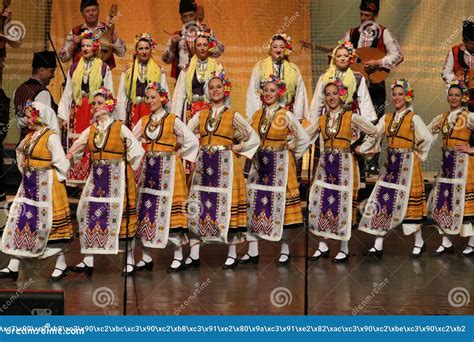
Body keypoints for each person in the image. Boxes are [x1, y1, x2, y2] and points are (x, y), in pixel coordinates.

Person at [66, 87, 144, 277]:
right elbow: (75, 149)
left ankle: (130, 261)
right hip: (98, 178)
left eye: (100, 103)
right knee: (91, 214)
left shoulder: (119, 127)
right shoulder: (91, 129)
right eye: (94, 103)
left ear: (109, 105)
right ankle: (89, 260)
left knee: (122, 218)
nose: (95, 106)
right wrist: (64, 160)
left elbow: (137, 151)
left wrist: (129, 171)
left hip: (118, 179)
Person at [185, 71, 259, 269]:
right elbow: (184, 133)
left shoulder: (232, 115)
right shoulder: (201, 115)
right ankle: (193, 254)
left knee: (228, 207)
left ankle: (232, 253)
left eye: (218, 87)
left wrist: (237, 148)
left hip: (226, 166)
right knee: (199, 207)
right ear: (207, 91)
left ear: (224, 90)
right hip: (203, 167)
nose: (215, 90)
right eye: (211, 88)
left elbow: (253, 138)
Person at [358, 79, 434, 258]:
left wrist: (417, 154)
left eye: (401, 94)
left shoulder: (413, 118)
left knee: (409, 205)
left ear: (407, 96)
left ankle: (419, 242)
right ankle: (378, 245)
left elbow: (427, 138)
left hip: (408, 167)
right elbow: (375, 134)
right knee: (383, 202)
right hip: (391, 166)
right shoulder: (387, 118)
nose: (397, 97)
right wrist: (363, 148)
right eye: (394, 94)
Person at [307, 78, 378, 262]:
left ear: (341, 95)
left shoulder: (351, 117)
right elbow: (304, 137)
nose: (331, 97)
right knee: (323, 203)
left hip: (345, 167)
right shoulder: (321, 120)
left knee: (343, 206)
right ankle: (323, 246)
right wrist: (288, 143)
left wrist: (362, 149)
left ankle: (344, 248)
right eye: (328, 94)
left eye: (334, 93)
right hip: (325, 167)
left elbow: (373, 132)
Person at [241, 75, 310, 266]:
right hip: (259, 167)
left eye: (272, 90)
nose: (268, 94)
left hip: (279, 166)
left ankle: (285, 250)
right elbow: (244, 133)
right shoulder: (256, 115)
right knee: (254, 205)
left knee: (282, 207)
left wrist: (290, 154)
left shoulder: (285, 114)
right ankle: (252, 251)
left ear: (279, 93)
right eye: (266, 90)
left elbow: (304, 138)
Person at [0, 101, 72, 282]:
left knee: (51, 227)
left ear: (39, 116)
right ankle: (13, 266)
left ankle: (61, 264)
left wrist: (57, 181)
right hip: (29, 187)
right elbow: (19, 152)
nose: (26, 119)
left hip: (48, 187)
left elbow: (62, 163)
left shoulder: (51, 136)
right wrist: (26, 170)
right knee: (22, 222)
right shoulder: (31, 136)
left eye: (29, 115)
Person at [132, 82, 199, 273]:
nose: (150, 101)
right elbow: (129, 139)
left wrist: (177, 153)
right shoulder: (144, 120)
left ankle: (178, 256)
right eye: (147, 98)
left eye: (153, 97)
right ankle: (146, 256)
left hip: (170, 171)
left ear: (162, 98)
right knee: (147, 211)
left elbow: (191, 140)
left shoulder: (172, 119)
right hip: (150, 170)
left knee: (172, 213)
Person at [342, 0, 403, 174]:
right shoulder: (352, 33)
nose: (363, 18)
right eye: (361, 14)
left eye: (367, 15)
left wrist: (379, 62)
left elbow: (398, 54)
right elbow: (343, 54)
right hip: (354, 85)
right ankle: (355, 161)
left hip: (375, 83)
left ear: (375, 15)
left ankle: (372, 161)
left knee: (375, 121)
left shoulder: (384, 33)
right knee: (354, 120)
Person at [309, 41, 377, 182]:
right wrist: (312, 124)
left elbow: (364, 100)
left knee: (351, 151)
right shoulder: (325, 78)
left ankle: (354, 185)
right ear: (334, 58)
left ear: (350, 58)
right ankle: (323, 182)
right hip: (329, 120)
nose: (342, 58)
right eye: (339, 55)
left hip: (350, 121)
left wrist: (366, 123)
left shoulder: (358, 77)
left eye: (345, 55)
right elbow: (318, 102)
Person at [58, 31, 113, 186]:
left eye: (89, 45)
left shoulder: (103, 68)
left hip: (94, 110)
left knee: (92, 141)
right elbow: (68, 91)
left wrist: (104, 114)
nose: (85, 48)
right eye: (83, 45)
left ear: (95, 47)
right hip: (77, 109)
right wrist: (63, 115)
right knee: (77, 141)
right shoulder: (74, 68)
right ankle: (76, 180)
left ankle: (92, 180)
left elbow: (108, 93)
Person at [427, 81, 474, 257]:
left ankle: (472, 243)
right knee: (443, 204)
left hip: (464, 167)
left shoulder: (468, 117)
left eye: (457, 95)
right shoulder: (443, 117)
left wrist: (472, 149)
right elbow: (427, 134)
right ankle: (446, 243)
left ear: (463, 98)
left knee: (466, 206)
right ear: (447, 97)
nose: (453, 98)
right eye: (451, 95)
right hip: (447, 166)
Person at [247, 33, 308, 122]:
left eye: (282, 47)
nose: (278, 50)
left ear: (286, 49)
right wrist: (256, 115)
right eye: (275, 47)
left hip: (287, 115)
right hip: (265, 114)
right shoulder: (260, 67)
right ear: (270, 48)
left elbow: (300, 94)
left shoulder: (294, 70)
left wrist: (298, 118)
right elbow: (253, 92)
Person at [116, 33, 170, 128]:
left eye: (146, 48)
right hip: (134, 110)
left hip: (152, 109)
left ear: (151, 50)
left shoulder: (158, 70)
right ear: (136, 50)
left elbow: (165, 94)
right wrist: (121, 118)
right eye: (140, 48)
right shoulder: (128, 70)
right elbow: (122, 95)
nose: (144, 52)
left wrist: (167, 114)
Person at [161, 0, 224, 79]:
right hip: (183, 77)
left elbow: (219, 52)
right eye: (185, 16)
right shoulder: (176, 36)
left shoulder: (207, 32)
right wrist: (173, 46)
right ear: (181, 19)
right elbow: (166, 60)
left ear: (196, 15)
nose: (188, 19)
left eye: (191, 15)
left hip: (204, 76)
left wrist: (210, 39)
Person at [59, 0, 126, 70]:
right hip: (80, 74)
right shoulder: (75, 31)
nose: (91, 13)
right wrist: (73, 44)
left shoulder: (107, 29)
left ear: (98, 11)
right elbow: (63, 59)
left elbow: (121, 53)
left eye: (93, 10)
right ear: (82, 14)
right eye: (87, 11)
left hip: (103, 74)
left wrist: (112, 36)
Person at [14, 51, 57, 142]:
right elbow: (45, 122)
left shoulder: (18, 89)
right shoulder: (43, 93)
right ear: (42, 71)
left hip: (21, 145)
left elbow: (19, 121)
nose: (53, 75)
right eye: (51, 71)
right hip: (37, 147)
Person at [442, 20, 474, 111]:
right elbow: (445, 72)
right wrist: (457, 81)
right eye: (472, 43)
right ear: (464, 40)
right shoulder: (455, 51)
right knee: (462, 122)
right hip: (462, 98)